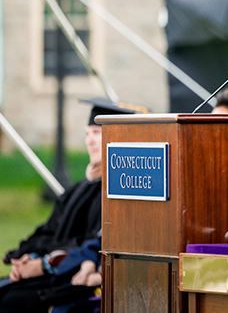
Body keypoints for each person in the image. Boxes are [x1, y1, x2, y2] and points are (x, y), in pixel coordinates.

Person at [2, 98, 147, 284]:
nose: (90, 141)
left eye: (97, 133)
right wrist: (28, 255)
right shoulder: (79, 188)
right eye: (88, 134)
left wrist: (41, 263)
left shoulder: (119, 193)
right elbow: (50, 230)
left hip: (70, 277)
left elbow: (89, 243)